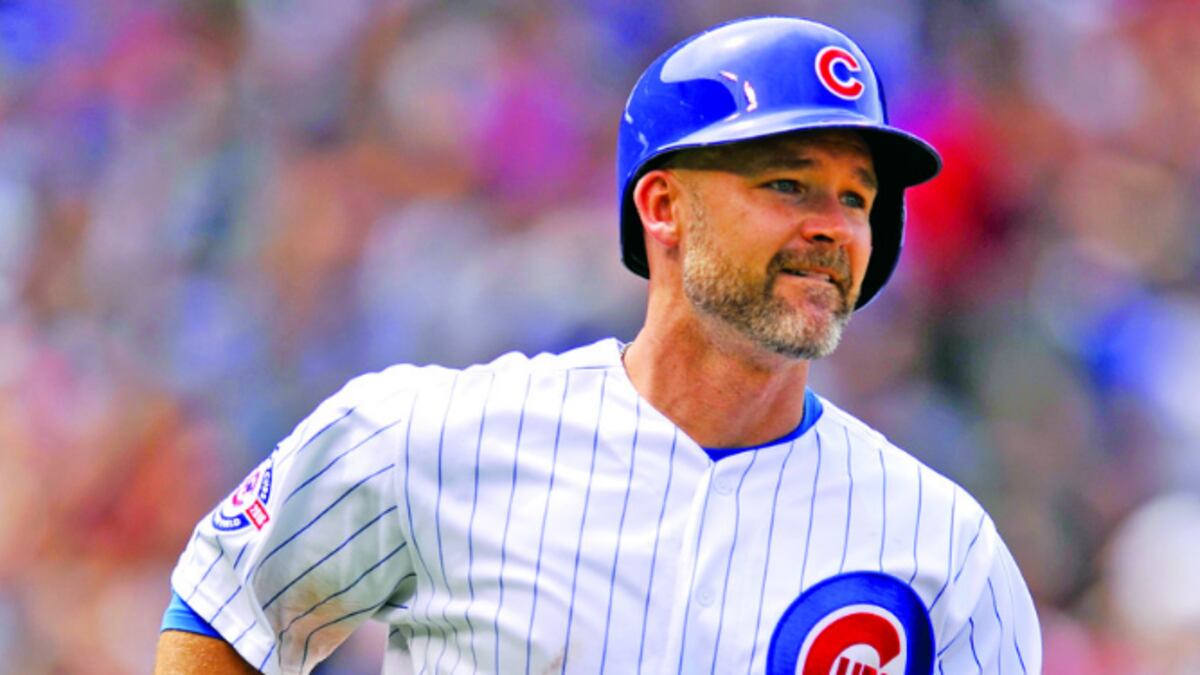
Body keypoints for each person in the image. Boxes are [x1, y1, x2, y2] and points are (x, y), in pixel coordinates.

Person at [155, 16, 1041, 675]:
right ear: (663, 207)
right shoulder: (436, 436)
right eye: (788, 183)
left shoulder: (942, 544)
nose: (834, 226)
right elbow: (226, 609)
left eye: (856, 198)